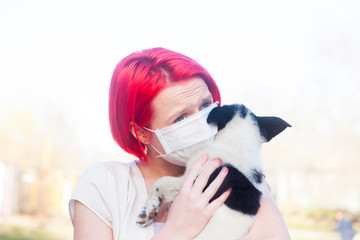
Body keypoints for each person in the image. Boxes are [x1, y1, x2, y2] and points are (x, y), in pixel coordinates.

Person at [69, 47, 291, 240]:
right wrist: (175, 232)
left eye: (205, 106)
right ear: (141, 133)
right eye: (181, 118)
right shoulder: (104, 185)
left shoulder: (243, 176)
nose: (202, 121)